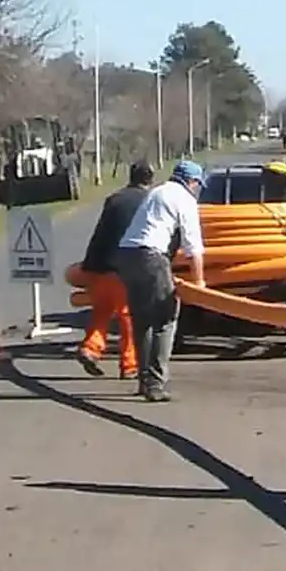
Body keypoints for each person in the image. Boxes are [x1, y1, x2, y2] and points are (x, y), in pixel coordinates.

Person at [113, 159, 207, 403]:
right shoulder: (185, 199)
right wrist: (199, 284)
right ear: (192, 182)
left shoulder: (157, 192)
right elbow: (193, 247)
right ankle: (155, 384)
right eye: (198, 185)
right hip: (150, 256)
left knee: (142, 320)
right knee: (166, 317)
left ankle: (145, 381)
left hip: (125, 255)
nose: (198, 190)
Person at [76, 160, 154, 379]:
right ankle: (130, 364)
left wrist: (88, 265)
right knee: (128, 316)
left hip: (100, 266)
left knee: (102, 310)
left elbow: (100, 233)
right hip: (125, 268)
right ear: (150, 180)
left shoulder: (114, 200)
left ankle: (90, 349)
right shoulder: (148, 202)